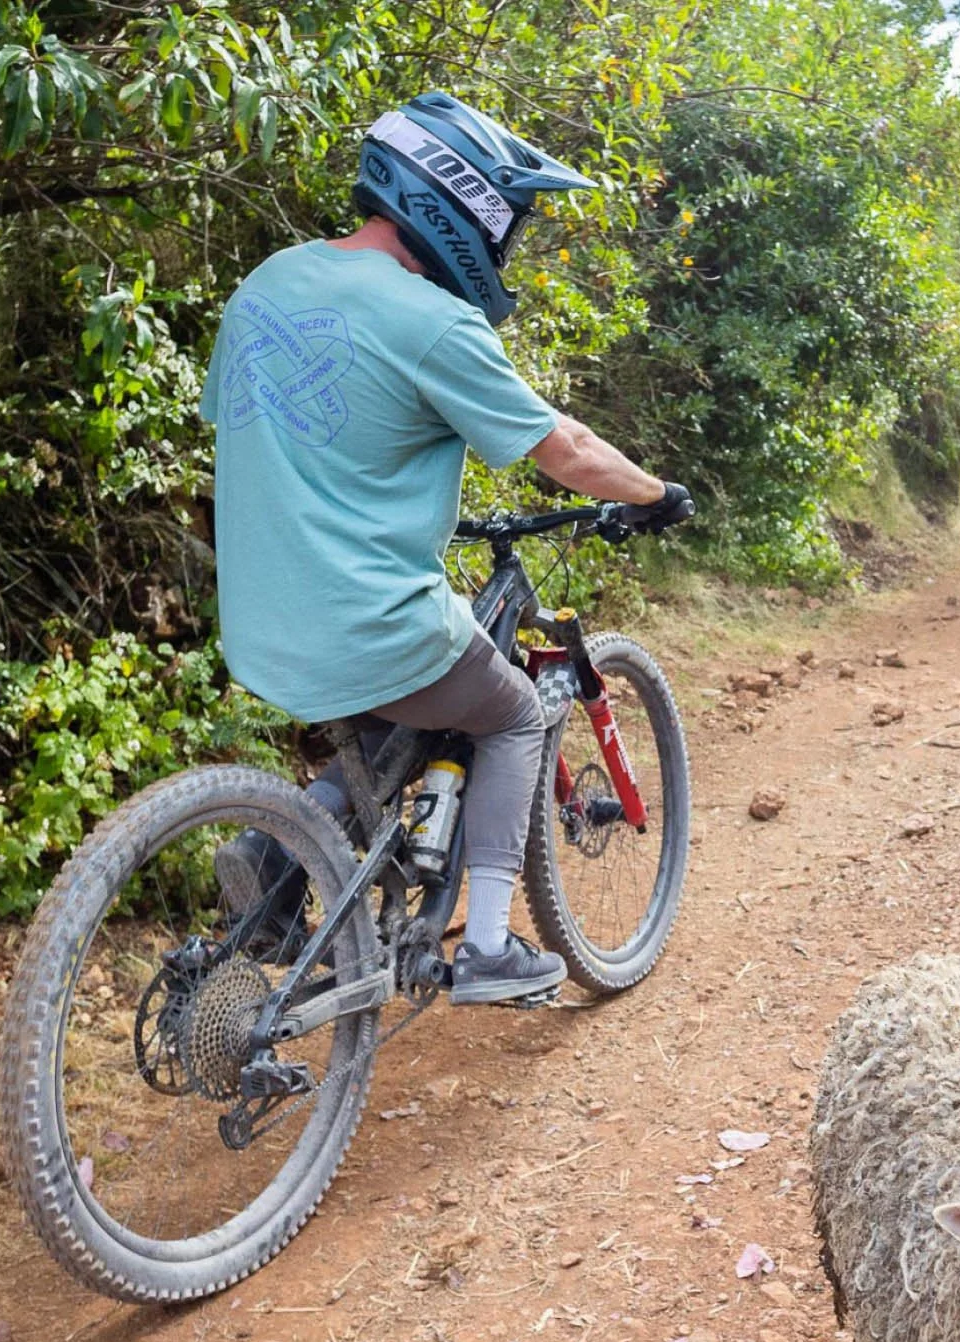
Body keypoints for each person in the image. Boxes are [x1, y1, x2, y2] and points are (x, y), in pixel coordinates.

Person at [202, 93, 685, 1007]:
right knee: (512, 716)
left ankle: (277, 855)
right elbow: (566, 450)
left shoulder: (269, 280)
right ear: (467, 208)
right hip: (367, 625)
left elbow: (282, 433)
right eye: (510, 224)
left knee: (396, 719)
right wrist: (657, 494)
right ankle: (495, 948)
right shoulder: (433, 321)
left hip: (262, 622)